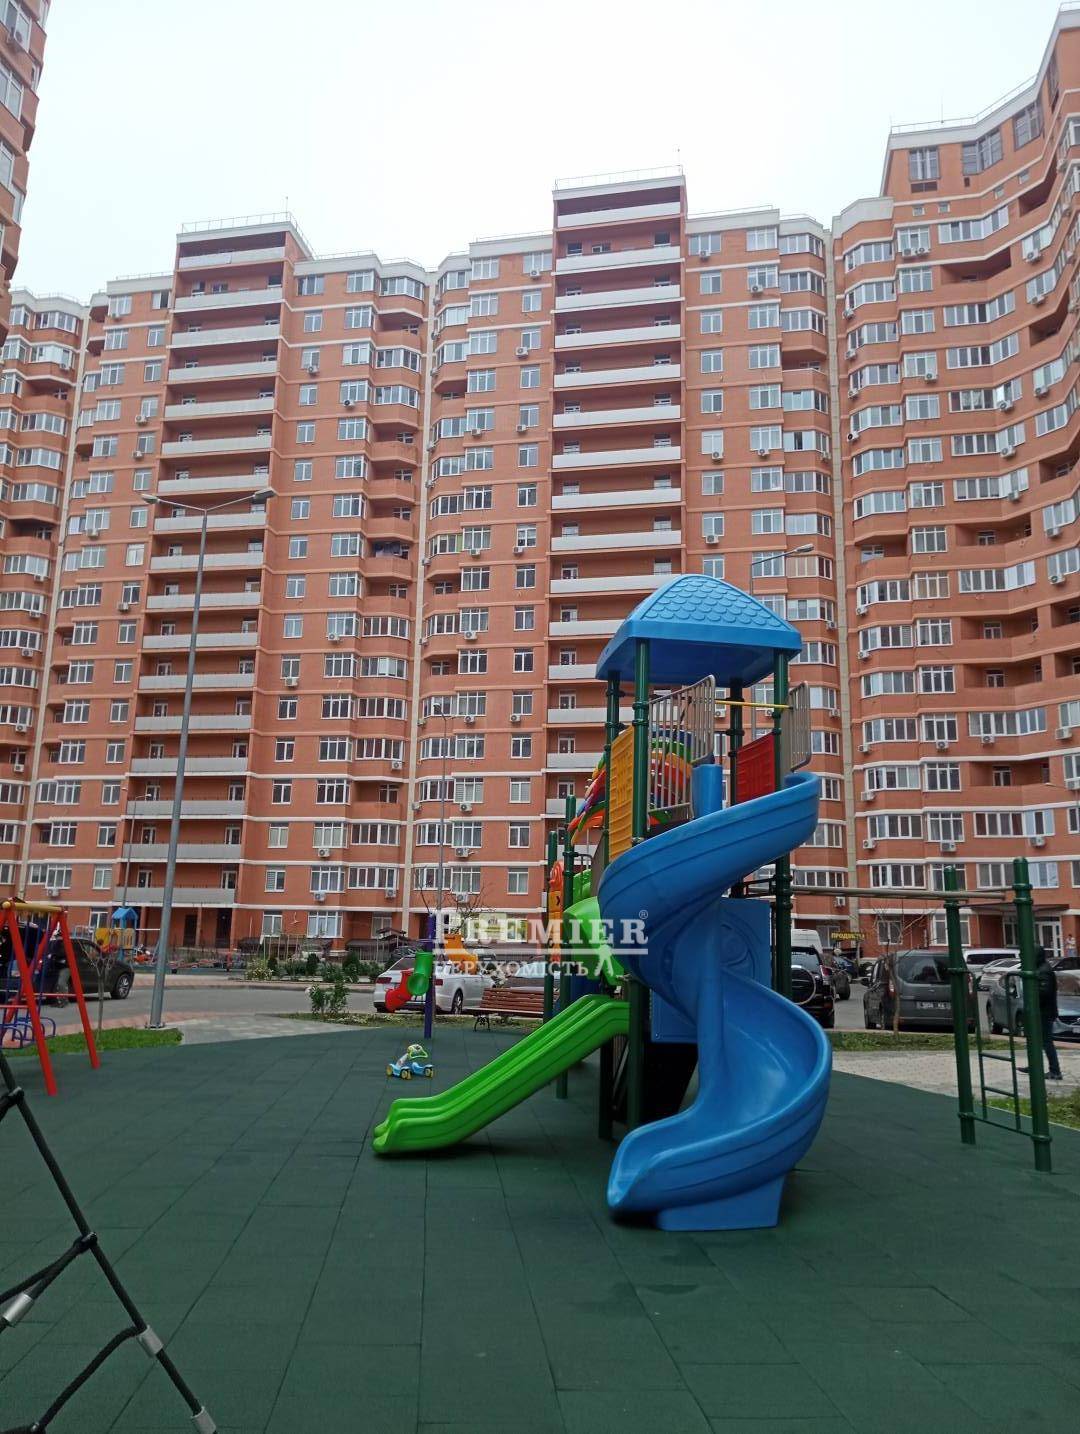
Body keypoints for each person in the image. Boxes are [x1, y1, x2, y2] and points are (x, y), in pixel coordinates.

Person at [1035, 946, 1063, 1082]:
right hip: (1043, 1010)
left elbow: (1044, 992)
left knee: (1047, 1042)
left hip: (1045, 1012)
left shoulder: (1044, 971)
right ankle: (1035, 1065)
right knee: (1038, 1040)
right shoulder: (1041, 968)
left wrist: (1033, 999)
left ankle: (1055, 1071)